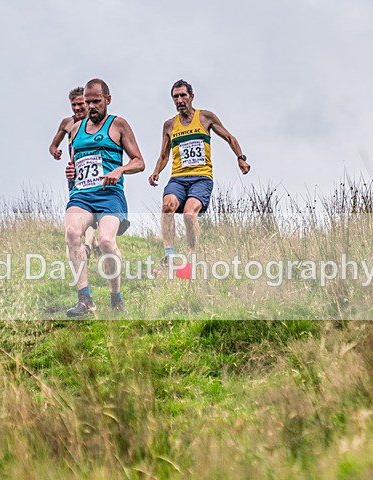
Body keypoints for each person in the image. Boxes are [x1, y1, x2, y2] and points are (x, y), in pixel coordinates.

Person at [63, 78, 145, 317]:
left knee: (107, 242)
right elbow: (76, 163)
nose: (91, 107)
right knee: (72, 233)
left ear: (107, 100)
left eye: (96, 102)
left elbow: (139, 162)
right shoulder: (76, 130)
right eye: (87, 102)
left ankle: (116, 298)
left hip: (110, 196)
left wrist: (119, 170)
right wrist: (71, 171)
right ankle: (85, 300)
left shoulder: (118, 125)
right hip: (83, 195)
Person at [148, 79, 251, 266]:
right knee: (167, 206)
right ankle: (170, 255)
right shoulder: (169, 125)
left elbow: (229, 137)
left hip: (201, 178)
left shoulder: (205, 117)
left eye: (183, 96)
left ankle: (192, 256)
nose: (179, 100)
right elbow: (164, 155)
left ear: (191, 97)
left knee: (189, 215)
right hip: (178, 178)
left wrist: (240, 158)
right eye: (175, 97)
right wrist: (156, 172)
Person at [49, 87, 97, 257]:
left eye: (80, 104)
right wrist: (55, 152)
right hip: (75, 174)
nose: (77, 108)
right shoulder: (67, 123)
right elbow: (53, 145)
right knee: (81, 210)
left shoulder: (96, 122)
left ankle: (88, 245)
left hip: (94, 173)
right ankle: (91, 242)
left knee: (93, 210)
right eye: (73, 105)